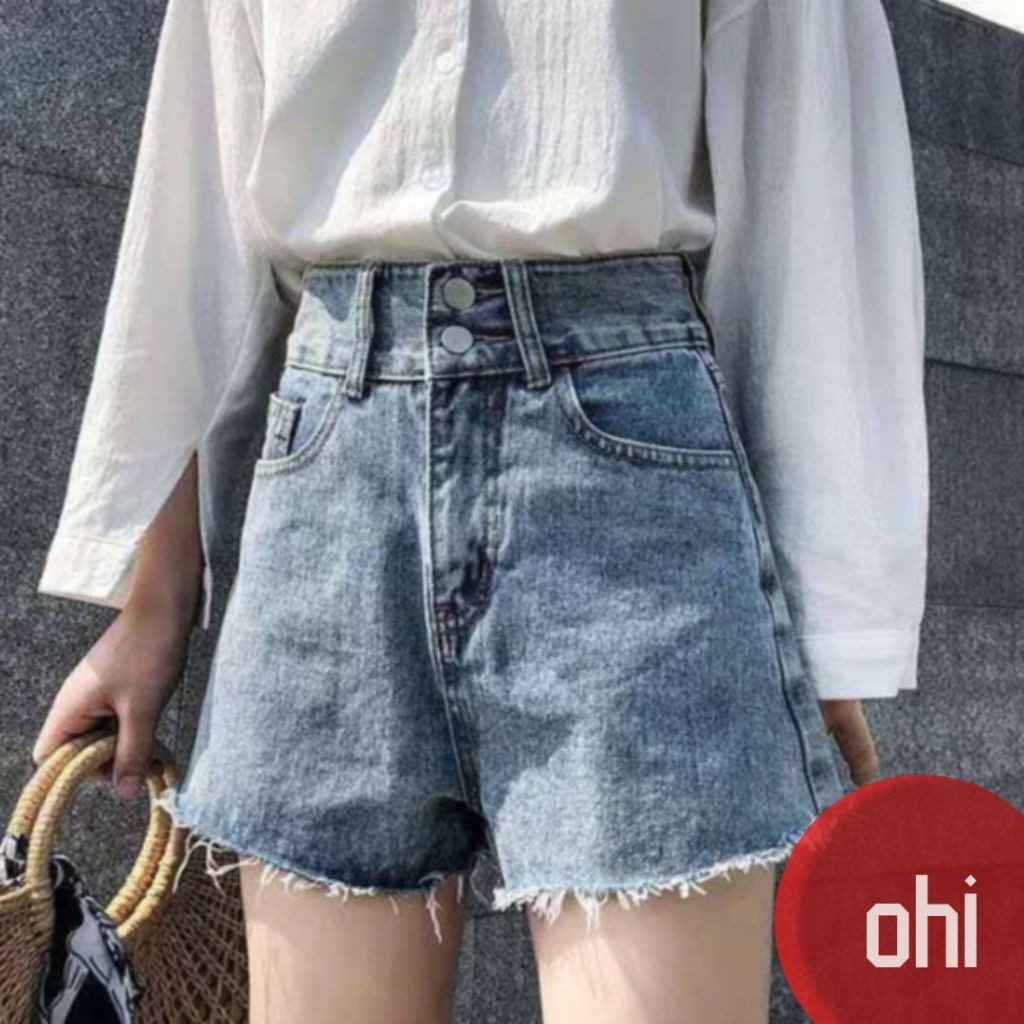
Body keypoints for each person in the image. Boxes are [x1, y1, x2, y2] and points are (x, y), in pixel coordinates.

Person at [31, 1, 927, 1021]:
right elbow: (198, 207)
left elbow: (806, 177)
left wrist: (824, 620)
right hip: (330, 480)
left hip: (628, 488)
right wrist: (153, 602)